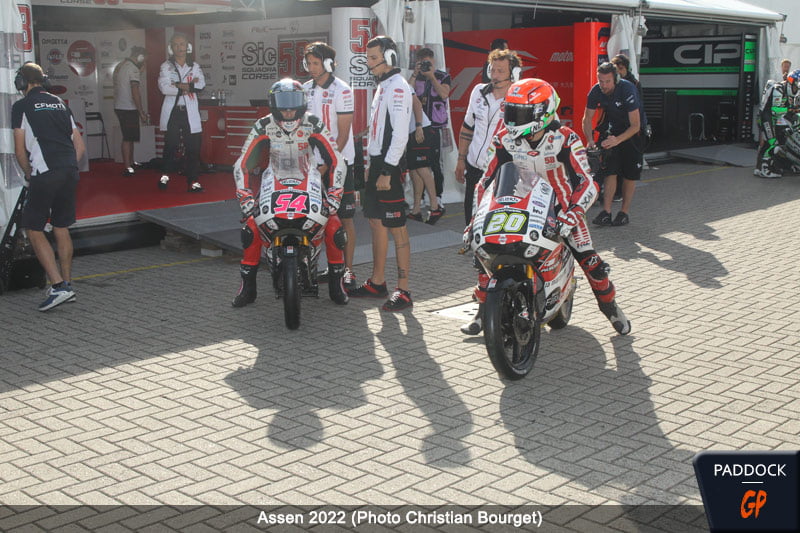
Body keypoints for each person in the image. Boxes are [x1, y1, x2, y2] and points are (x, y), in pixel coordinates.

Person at [462, 78, 631, 336]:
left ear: (543, 112)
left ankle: (610, 308)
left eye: (520, 113)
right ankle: (484, 312)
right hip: (518, 207)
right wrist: (474, 220)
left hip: (562, 210)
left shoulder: (565, 138)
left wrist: (573, 214)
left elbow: (587, 182)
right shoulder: (503, 139)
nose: (513, 119)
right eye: (511, 111)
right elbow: (485, 182)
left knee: (591, 262)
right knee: (484, 254)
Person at [231, 79, 348, 307]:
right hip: (273, 180)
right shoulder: (263, 125)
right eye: (282, 102)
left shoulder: (313, 123)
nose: (288, 109)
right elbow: (241, 164)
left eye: (293, 101)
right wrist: (244, 195)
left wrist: (335, 193)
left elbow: (337, 160)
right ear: (273, 103)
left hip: (309, 179)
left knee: (334, 225)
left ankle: (337, 285)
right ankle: (248, 287)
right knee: (251, 226)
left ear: (303, 102)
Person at [11, 62, 86, 311]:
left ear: (21, 83)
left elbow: (19, 150)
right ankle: (67, 284)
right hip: (69, 170)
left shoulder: (21, 106)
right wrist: (67, 167)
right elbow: (80, 147)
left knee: (33, 229)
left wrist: (29, 174)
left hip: (45, 172)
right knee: (61, 227)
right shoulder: (60, 103)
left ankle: (58, 287)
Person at [347, 35, 414, 312]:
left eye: (374, 58)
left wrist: (387, 170)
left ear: (390, 58)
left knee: (397, 227)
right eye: (368, 58)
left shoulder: (398, 86)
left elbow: (400, 135)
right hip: (377, 163)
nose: (369, 63)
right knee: (375, 222)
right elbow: (378, 130)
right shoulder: (383, 85)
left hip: (390, 166)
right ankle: (377, 282)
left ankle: (404, 290)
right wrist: (370, 164)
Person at [302, 42, 358, 290]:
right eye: (309, 63)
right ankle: (329, 266)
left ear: (327, 64)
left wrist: (326, 164)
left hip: (339, 165)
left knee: (344, 218)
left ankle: (348, 270)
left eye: (316, 63)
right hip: (312, 166)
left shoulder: (342, 90)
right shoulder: (304, 89)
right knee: (315, 218)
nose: (311, 68)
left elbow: (342, 136)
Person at [455, 48, 522, 225]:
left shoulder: (519, 100)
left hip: (501, 173)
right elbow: (467, 127)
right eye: (492, 70)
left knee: (493, 223)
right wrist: (461, 159)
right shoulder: (478, 91)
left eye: (501, 71)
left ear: (514, 74)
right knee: (470, 221)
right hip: (474, 168)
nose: (495, 75)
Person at [583, 61, 645, 227]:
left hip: (633, 133)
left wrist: (617, 140)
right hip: (612, 132)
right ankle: (606, 212)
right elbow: (587, 118)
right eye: (601, 81)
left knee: (629, 175)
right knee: (610, 171)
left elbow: (635, 125)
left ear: (615, 79)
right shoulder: (596, 90)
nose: (604, 85)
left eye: (608, 81)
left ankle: (624, 212)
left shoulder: (627, 89)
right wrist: (590, 140)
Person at [158, 32, 205, 193]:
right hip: (173, 112)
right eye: (176, 44)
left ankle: (193, 181)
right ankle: (165, 175)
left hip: (189, 112)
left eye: (182, 44)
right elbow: (165, 88)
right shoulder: (166, 66)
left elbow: (200, 85)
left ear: (188, 47)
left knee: (193, 147)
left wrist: (177, 85)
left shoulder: (195, 66)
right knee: (171, 145)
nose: (179, 48)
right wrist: (188, 86)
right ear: (171, 47)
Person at [408, 47, 451, 215]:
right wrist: (414, 74)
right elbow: (406, 93)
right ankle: (420, 200)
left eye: (428, 63)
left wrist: (432, 77)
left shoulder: (442, 76)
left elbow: (444, 94)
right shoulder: (416, 77)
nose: (426, 66)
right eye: (422, 63)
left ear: (433, 61)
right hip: (416, 125)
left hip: (434, 126)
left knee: (435, 164)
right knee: (418, 165)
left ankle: (437, 198)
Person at [754, 70, 800, 179]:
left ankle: (760, 168)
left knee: (781, 141)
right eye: (795, 86)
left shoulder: (789, 91)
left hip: (775, 119)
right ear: (790, 82)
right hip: (766, 117)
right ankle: (764, 169)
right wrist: (791, 109)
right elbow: (774, 110)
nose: (796, 90)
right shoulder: (778, 89)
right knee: (772, 143)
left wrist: (793, 109)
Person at [406, 94, 442, 223]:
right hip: (410, 132)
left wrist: (419, 126)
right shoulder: (386, 89)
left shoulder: (404, 86)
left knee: (422, 168)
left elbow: (417, 104)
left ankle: (435, 207)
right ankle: (416, 211)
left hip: (420, 130)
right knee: (414, 171)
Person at [113, 46, 148, 177]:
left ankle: (131, 163)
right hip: (127, 107)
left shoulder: (122, 65)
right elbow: (135, 92)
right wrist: (141, 112)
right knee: (128, 138)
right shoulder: (133, 69)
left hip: (121, 106)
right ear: (140, 57)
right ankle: (127, 167)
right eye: (145, 59)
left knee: (131, 136)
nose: (145, 62)